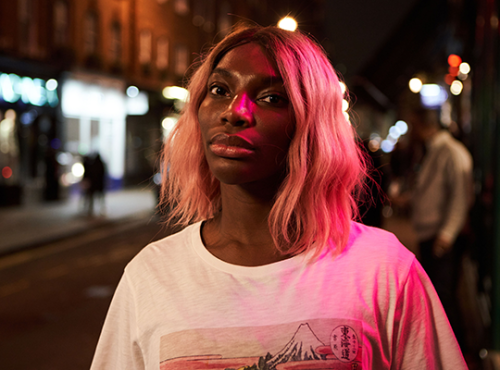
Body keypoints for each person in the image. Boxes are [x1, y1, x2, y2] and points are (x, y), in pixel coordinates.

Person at [90, 24, 467, 369]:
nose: (235, 113)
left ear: (310, 125)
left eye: (271, 98)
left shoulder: (385, 271)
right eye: (219, 90)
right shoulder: (150, 276)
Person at [409, 107, 474, 349]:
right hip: (434, 233)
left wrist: (446, 235)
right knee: (439, 295)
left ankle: (457, 350)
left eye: (413, 125)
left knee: (443, 296)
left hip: (441, 236)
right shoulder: (437, 150)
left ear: (423, 125)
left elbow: (460, 197)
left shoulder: (449, 152)